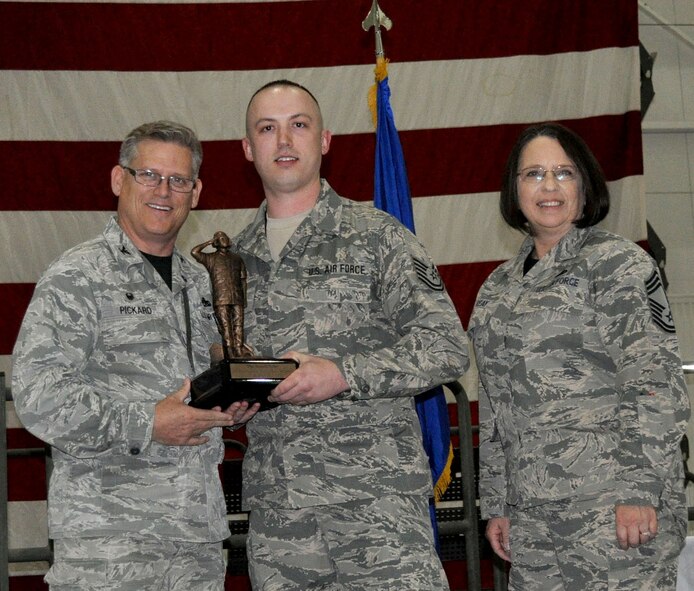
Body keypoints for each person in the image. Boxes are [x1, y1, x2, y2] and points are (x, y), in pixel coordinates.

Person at [232, 80, 468, 590]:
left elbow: (447, 345)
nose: (285, 141)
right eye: (267, 129)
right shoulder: (230, 263)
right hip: (281, 519)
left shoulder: (377, 236)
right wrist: (228, 404)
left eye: (299, 124)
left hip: (377, 508)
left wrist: (344, 374)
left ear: (325, 140)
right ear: (248, 149)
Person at [12, 121, 258, 590]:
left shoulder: (202, 283)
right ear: (118, 180)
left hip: (196, 545)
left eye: (178, 180)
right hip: (109, 546)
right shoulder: (77, 276)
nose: (163, 191)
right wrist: (146, 422)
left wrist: (235, 406)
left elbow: (206, 386)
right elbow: (37, 395)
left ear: (196, 192)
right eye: (148, 174)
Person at [468, 122, 690, 590]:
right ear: (514, 190)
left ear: (585, 188)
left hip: (612, 512)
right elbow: (492, 406)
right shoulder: (496, 289)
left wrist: (638, 490)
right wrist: (498, 504)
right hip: (531, 518)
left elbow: (655, 384)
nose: (548, 186)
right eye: (533, 174)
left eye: (564, 173)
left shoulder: (618, 264)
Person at [192, 230, 253, 359]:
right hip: (221, 299)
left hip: (237, 298)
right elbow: (194, 252)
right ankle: (229, 354)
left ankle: (238, 353)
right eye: (220, 238)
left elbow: (243, 280)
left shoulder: (237, 258)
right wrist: (209, 242)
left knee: (238, 328)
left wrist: (244, 298)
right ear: (215, 242)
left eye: (225, 237)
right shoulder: (210, 258)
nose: (224, 239)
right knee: (226, 329)